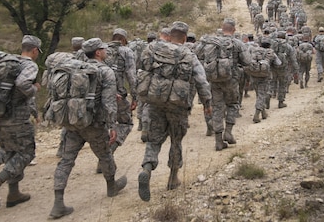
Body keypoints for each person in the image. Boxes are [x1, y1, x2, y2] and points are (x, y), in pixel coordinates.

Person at [49, 38, 126, 219]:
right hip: (93, 124)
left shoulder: (76, 69)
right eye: (103, 49)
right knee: (105, 154)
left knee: (66, 160)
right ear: (98, 52)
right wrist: (112, 125)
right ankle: (111, 186)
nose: (105, 51)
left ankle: (58, 202)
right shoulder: (105, 71)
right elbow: (108, 102)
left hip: (73, 122)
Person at [138, 21, 212, 202]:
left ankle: (147, 168)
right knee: (176, 140)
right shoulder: (189, 54)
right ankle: (173, 178)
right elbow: (201, 81)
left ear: (169, 36)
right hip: (178, 106)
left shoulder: (154, 49)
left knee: (154, 139)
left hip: (155, 102)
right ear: (185, 38)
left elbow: (142, 70)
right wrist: (207, 103)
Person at [0, 35, 42, 209]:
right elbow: (23, 84)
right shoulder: (29, 65)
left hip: (0, 117)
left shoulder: (8, 64)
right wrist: (34, 89)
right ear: (35, 50)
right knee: (26, 154)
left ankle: (13, 194)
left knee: (11, 153)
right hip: (18, 119)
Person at [199, 18, 249, 151]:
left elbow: (199, 55)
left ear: (222, 29)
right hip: (231, 81)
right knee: (232, 105)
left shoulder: (212, 43)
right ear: (234, 30)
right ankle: (228, 132)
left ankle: (218, 141)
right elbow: (247, 61)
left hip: (214, 81)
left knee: (217, 108)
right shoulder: (237, 43)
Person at [96, 28, 137, 173]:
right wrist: (135, 96)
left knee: (104, 126)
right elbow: (131, 76)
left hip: (98, 98)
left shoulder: (100, 50)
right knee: (126, 123)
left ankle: (102, 158)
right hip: (117, 96)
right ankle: (107, 155)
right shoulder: (126, 51)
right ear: (124, 40)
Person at [56, 37, 86, 158]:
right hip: (77, 97)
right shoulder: (83, 60)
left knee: (67, 125)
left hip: (64, 96)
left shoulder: (65, 59)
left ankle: (61, 148)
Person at [250, 37, 281, 123]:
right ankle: (256, 114)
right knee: (261, 95)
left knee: (259, 94)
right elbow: (278, 64)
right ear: (269, 45)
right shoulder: (270, 53)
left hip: (253, 75)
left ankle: (263, 113)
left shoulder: (254, 50)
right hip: (265, 77)